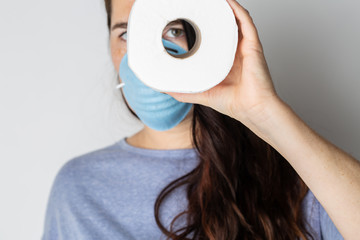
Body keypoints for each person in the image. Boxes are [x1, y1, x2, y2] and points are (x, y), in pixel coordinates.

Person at [42, 0, 360, 239]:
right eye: (126, 33)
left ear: (202, 40)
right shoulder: (79, 187)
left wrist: (265, 111)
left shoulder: (292, 175)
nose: (145, 54)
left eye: (173, 31)